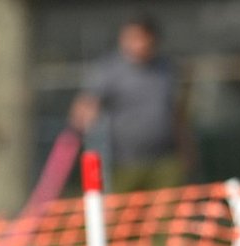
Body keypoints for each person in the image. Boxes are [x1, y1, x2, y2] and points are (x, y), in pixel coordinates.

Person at [68, 14, 191, 193]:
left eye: (140, 38)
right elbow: (87, 103)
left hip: (165, 159)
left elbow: (177, 114)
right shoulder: (109, 69)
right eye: (130, 38)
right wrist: (83, 117)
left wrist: (186, 149)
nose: (136, 44)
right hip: (124, 163)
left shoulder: (167, 69)